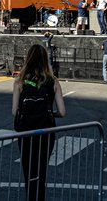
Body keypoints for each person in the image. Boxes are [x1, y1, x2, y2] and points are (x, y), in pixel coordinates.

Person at [12, 43, 66, 201]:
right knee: (40, 172)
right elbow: (62, 112)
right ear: (45, 60)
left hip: (26, 130)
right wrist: (50, 113)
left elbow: (14, 111)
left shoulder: (20, 81)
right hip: (46, 131)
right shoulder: (53, 81)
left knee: (28, 172)